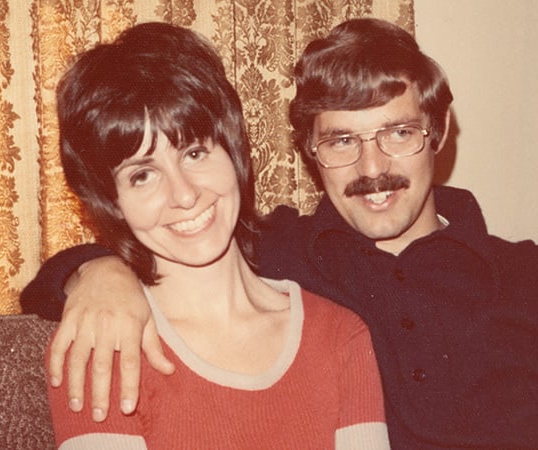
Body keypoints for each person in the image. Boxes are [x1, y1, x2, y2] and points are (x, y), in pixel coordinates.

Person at [24, 18, 538, 449]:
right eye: (341, 141)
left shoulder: (529, 275)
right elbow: (171, 230)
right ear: (308, 152)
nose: (373, 170)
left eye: (397, 133)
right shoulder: (280, 256)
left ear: (437, 134)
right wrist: (96, 271)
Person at [43, 22, 389, 449]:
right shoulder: (105, 346)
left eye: (194, 152)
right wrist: (95, 269)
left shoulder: (340, 336)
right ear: (111, 202)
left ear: (234, 149)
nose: (185, 194)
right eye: (142, 175)